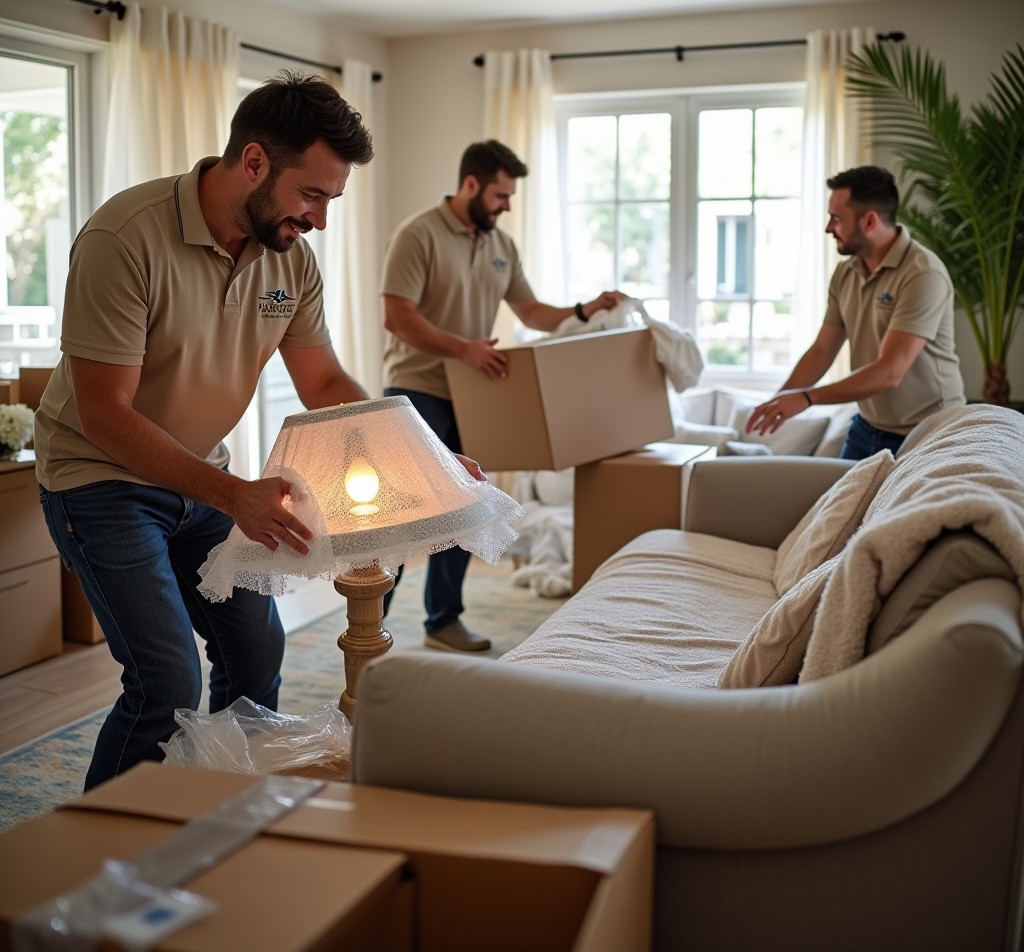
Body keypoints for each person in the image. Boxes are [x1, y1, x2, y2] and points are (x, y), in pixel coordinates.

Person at [33, 71, 481, 790]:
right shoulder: (125, 237)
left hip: (202, 479)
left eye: (332, 201)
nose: (321, 219)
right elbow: (104, 414)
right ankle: (108, 858)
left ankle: (221, 808)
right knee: (166, 678)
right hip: (102, 481)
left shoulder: (290, 261)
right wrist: (233, 493)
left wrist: (426, 456)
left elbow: (326, 384)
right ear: (253, 163)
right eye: (313, 195)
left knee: (255, 653)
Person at [380, 139, 627, 653]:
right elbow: (397, 316)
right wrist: (461, 349)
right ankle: (369, 619)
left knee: (466, 505)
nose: (507, 205)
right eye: (500, 194)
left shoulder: (501, 246)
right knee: (404, 513)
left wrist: (585, 309)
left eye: (510, 196)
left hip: (475, 394)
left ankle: (443, 622)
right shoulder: (418, 234)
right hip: (416, 387)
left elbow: (533, 313)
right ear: (470, 185)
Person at [745, 165, 965, 459]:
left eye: (836, 218)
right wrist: (779, 402)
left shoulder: (922, 273)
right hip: (867, 427)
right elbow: (822, 350)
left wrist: (808, 398)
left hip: (928, 432)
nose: (828, 228)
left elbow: (891, 371)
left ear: (870, 221)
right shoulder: (845, 273)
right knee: (840, 506)